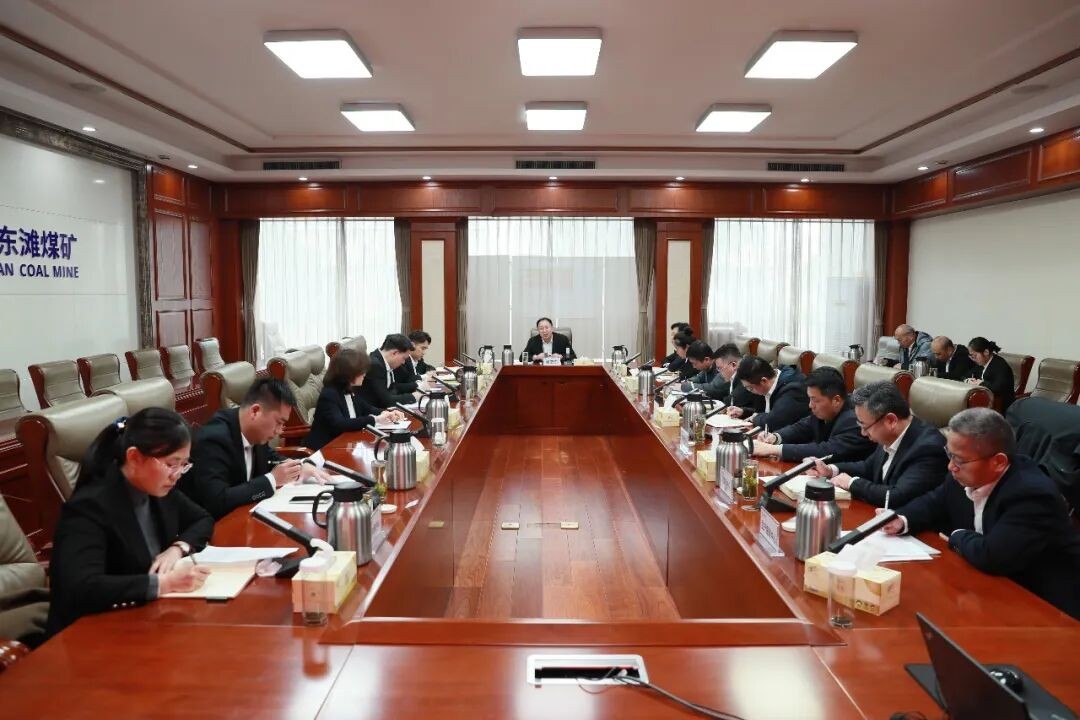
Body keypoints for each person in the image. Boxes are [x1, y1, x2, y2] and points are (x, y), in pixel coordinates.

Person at [881, 408, 1080, 619]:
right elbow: (934, 501)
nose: (950, 466)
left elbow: (992, 556)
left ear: (998, 462)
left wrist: (957, 536)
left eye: (959, 460)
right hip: (990, 587)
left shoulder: (1032, 495)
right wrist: (902, 519)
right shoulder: (964, 474)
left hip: (1045, 607)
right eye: (949, 454)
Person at [47, 408, 213, 635]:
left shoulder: (157, 488)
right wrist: (165, 584)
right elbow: (82, 587)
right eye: (171, 464)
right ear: (134, 457)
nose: (176, 474)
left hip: (147, 618)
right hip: (93, 632)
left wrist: (177, 548)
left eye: (184, 464)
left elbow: (202, 519)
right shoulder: (89, 507)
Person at [181, 378, 328, 519]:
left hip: (246, 516)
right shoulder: (213, 439)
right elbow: (217, 501)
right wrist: (272, 479)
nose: (280, 431)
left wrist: (300, 466)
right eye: (279, 422)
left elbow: (272, 458)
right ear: (255, 411)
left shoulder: (254, 432)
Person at [811, 381, 947, 507]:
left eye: (865, 426)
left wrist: (852, 483)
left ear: (891, 421)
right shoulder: (889, 434)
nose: (863, 433)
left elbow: (896, 496)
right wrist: (831, 470)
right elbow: (868, 467)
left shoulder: (928, 448)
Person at [751, 367, 876, 463]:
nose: (810, 405)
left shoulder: (855, 419)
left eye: (814, 400)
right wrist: (775, 437)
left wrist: (774, 450)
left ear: (836, 400)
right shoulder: (825, 411)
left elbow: (826, 450)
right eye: (809, 399)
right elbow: (802, 427)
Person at [305, 349, 405, 451]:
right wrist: (376, 419)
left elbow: (367, 408)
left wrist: (387, 412)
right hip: (327, 449)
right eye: (361, 371)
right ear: (348, 373)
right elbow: (340, 424)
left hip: (346, 444)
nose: (364, 374)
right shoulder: (329, 394)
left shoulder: (348, 389)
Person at [729, 356, 809, 431]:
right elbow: (770, 412)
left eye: (750, 388)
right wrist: (744, 412)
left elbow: (774, 421)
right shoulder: (770, 381)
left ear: (764, 381)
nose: (749, 391)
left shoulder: (793, 389)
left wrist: (754, 418)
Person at [359, 334, 423, 409]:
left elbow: (393, 387)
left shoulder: (383, 362)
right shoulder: (375, 365)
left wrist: (417, 386)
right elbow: (387, 401)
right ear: (394, 353)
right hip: (374, 412)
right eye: (404, 358)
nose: (403, 362)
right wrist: (413, 397)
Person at [710, 343, 765, 413]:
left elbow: (731, 402)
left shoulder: (747, 377)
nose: (719, 372)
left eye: (719, 368)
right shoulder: (733, 377)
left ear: (733, 365)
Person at [968, 337, 1016, 414]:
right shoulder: (981, 363)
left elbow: (997, 388)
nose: (973, 359)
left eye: (975, 356)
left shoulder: (1000, 365)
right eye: (971, 356)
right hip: (985, 401)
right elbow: (968, 374)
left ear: (986, 352)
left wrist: (981, 383)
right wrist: (969, 380)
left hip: (1001, 406)